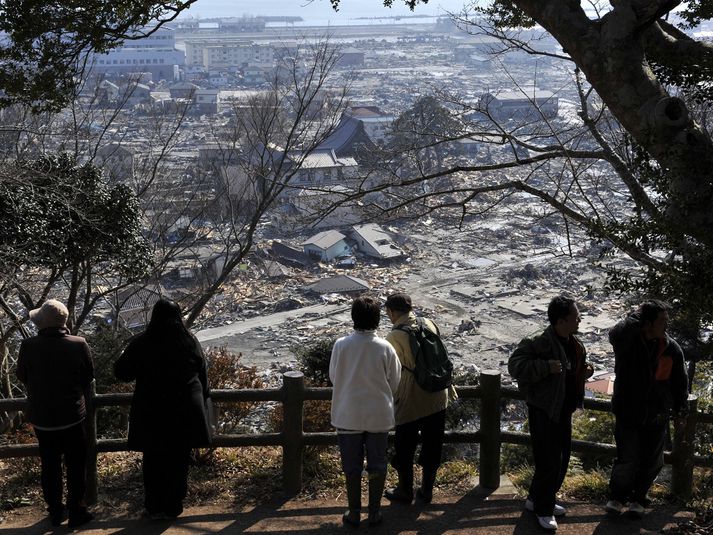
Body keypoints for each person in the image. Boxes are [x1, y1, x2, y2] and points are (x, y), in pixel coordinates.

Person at [114, 298, 211, 520]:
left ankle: (154, 506)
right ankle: (174, 506)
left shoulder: (143, 342)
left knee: (153, 459)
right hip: (186, 408)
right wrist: (203, 397)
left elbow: (122, 372)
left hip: (153, 409)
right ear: (179, 317)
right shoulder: (189, 341)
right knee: (179, 459)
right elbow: (202, 374)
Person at [508, 295, 592, 531]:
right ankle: (543, 511)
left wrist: (583, 372)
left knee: (561, 458)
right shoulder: (540, 341)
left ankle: (537, 499)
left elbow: (572, 369)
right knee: (548, 461)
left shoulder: (573, 342)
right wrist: (545, 367)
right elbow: (514, 366)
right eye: (576, 317)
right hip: (544, 409)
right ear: (561, 321)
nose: (580, 320)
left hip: (563, 409)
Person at [605, 300, 688, 517]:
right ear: (648, 323)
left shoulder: (672, 350)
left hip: (657, 414)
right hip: (628, 412)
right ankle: (617, 497)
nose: (666, 325)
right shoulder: (628, 343)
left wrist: (681, 411)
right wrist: (636, 317)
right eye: (662, 321)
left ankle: (639, 498)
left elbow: (680, 384)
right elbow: (615, 334)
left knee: (652, 461)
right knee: (627, 459)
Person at [16, 299, 95, 528]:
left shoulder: (28, 346)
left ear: (43, 323)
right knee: (76, 464)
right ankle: (77, 509)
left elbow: (22, 375)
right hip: (72, 415)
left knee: (49, 465)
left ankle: (55, 511)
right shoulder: (78, 343)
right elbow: (87, 377)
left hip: (43, 418)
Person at [330, 295, 401, 528]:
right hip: (379, 415)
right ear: (378, 319)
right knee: (377, 465)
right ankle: (374, 512)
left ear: (353, 318)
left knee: (351, 467)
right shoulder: (386, 347)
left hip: (348, 414)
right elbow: (395, 381)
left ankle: (353, 512)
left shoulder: (341, 345)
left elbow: (334, 377)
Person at [383, 293, 455, 505]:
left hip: (411, 397)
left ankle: (405, 490)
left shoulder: (394, 336)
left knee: (404, 445)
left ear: (393, 312)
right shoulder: (429, 323)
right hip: (438, 394)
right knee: (433, 443)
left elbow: (391, 369)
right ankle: (426, 490)